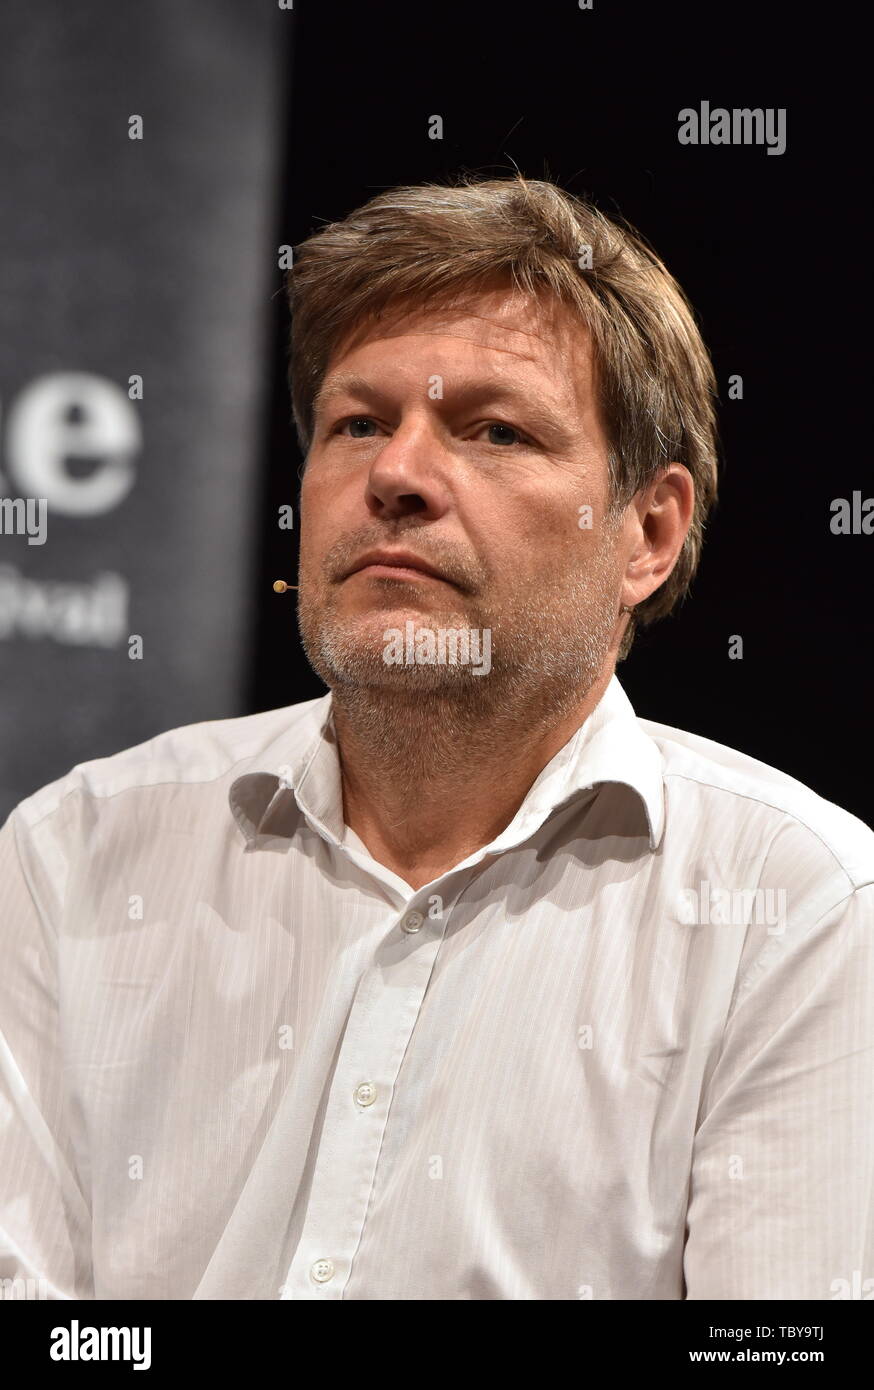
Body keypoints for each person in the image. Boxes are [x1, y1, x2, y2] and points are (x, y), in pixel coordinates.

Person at [1, 175, 871, 1301]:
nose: (397, 476)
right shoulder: (73, 852)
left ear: (646, 533)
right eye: (358, 423)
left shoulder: (801, 907)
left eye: (491, 429)